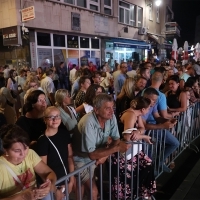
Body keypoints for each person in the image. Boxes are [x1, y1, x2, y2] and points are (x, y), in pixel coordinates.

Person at [72, 93, 131, 200]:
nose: (112, 111)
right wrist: (115, 149)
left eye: (112, 108)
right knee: (93, 191)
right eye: (107, 108)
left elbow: (116, 139)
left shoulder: (111, 116)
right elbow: (92, 155)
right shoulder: (88, 122)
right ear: (96, 110)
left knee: (91, 188)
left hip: (98, 156)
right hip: (80, 159)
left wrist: (104, 156)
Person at [111, 97, 156, 199]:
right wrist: (143, 136)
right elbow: (128, 137)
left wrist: (138, 132)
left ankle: (142, 193)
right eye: (149, 108)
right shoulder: (130, 115)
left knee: (147, 164)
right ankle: (136, 194)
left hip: (132, 151)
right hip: (123, 151)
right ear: (143, 109)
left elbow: (142, 128)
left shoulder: (137, 114)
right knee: (127, 178)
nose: (149, 110)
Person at [0, 124, 58, 200]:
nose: (23, 154)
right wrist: (21, 197)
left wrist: (49, 184)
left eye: (26, 148)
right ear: (5, 150)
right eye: (17, 151)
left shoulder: (30, 154)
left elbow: (48, 173)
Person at [37, 106, 74, 193]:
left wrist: (71, 181)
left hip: (65, 180)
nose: (55, 119)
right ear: (45, 119)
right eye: (51, 117)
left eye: (57, 116)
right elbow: (43, 168)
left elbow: (70, 157)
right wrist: (54, 189)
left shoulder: (65, 134)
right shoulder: (42, 141)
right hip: (52, 183)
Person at [142, 88, 180, 173]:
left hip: (152, 129)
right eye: (153, 100)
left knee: (175, 143)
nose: (155, 102)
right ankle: (152, 174)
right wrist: (163, 125)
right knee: (147, 158)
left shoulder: (153, 104)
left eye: (156, 100)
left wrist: (167, 121)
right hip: (143, 134)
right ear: (146, 97)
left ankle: (159, 163)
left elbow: (157, 117)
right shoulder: (141, 106)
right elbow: (144, 125)